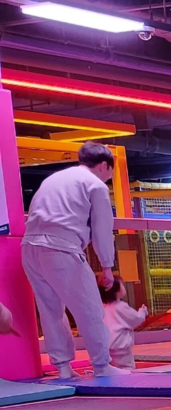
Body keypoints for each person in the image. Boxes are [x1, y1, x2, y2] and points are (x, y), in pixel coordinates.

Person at [21, 141, 127, 378]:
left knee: (50, 310)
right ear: (103, 166)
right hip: (60, 248)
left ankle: (63, 369)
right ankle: (102, 366)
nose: (109, 178)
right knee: (89, 307)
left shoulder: (53, 179)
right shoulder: (95, 186)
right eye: (111, 173)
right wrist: (107, 267)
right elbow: (102, 228)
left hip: (29, 247)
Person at [99, 276, 146, 369]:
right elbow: (136, 319)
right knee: (127, 367)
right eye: (122, 285)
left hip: (107, 345)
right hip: (120, 345)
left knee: (112, 368)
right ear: (117, 290)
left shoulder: (103, 307)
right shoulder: (121, 307)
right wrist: (143, 311)